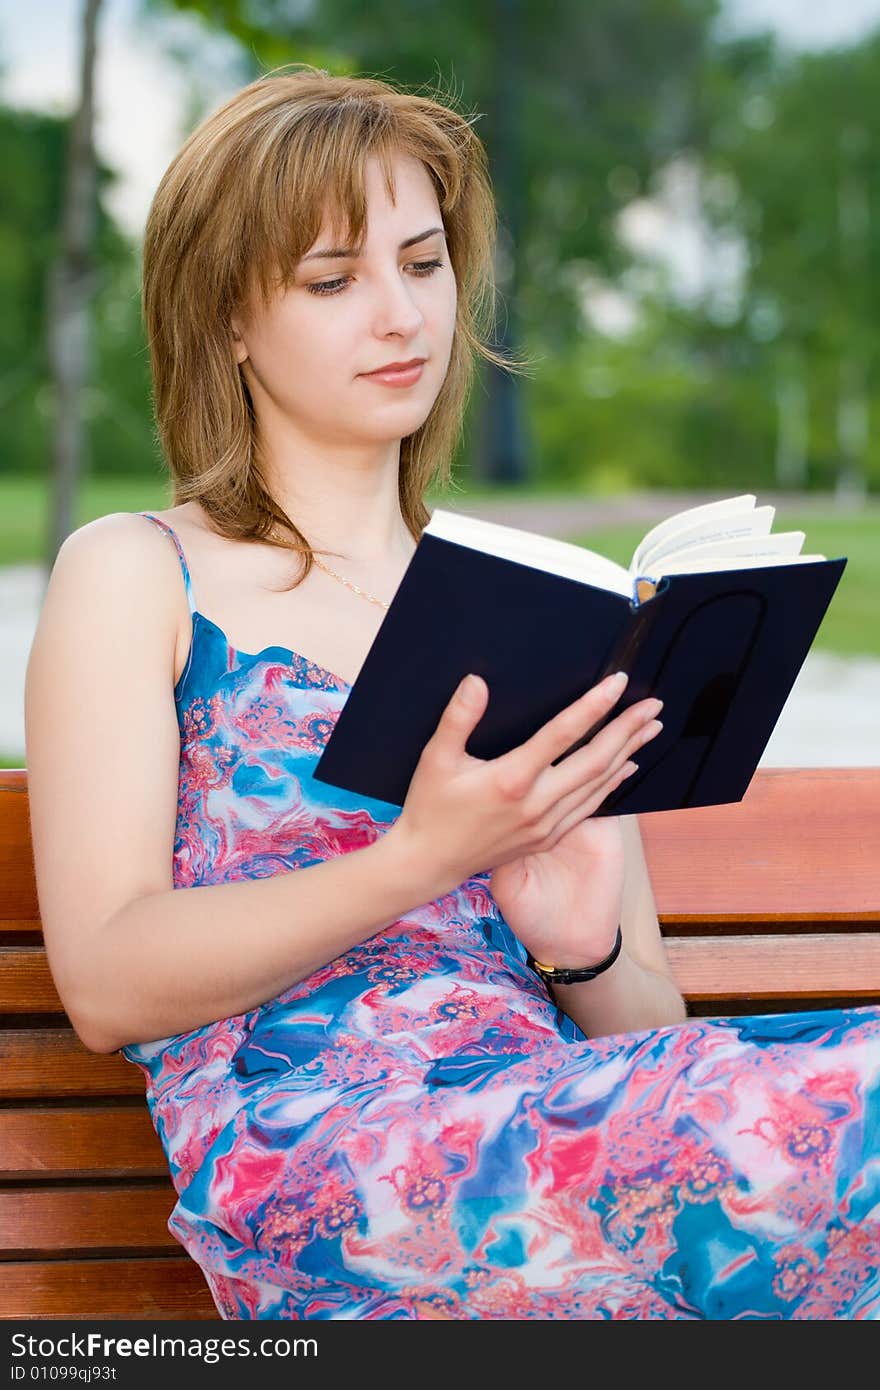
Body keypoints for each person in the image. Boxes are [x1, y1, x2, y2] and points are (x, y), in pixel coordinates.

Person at [24, 66, 879, 1322]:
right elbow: (104, 979)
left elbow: (641, 1021)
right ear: (227, 322)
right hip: (323, 1168)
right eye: (334, 280)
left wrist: (579, 940)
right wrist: (425, 856)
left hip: (552, 1131)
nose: (400, 316)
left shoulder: (529, 602)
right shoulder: (137, 572)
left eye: (422, 265)